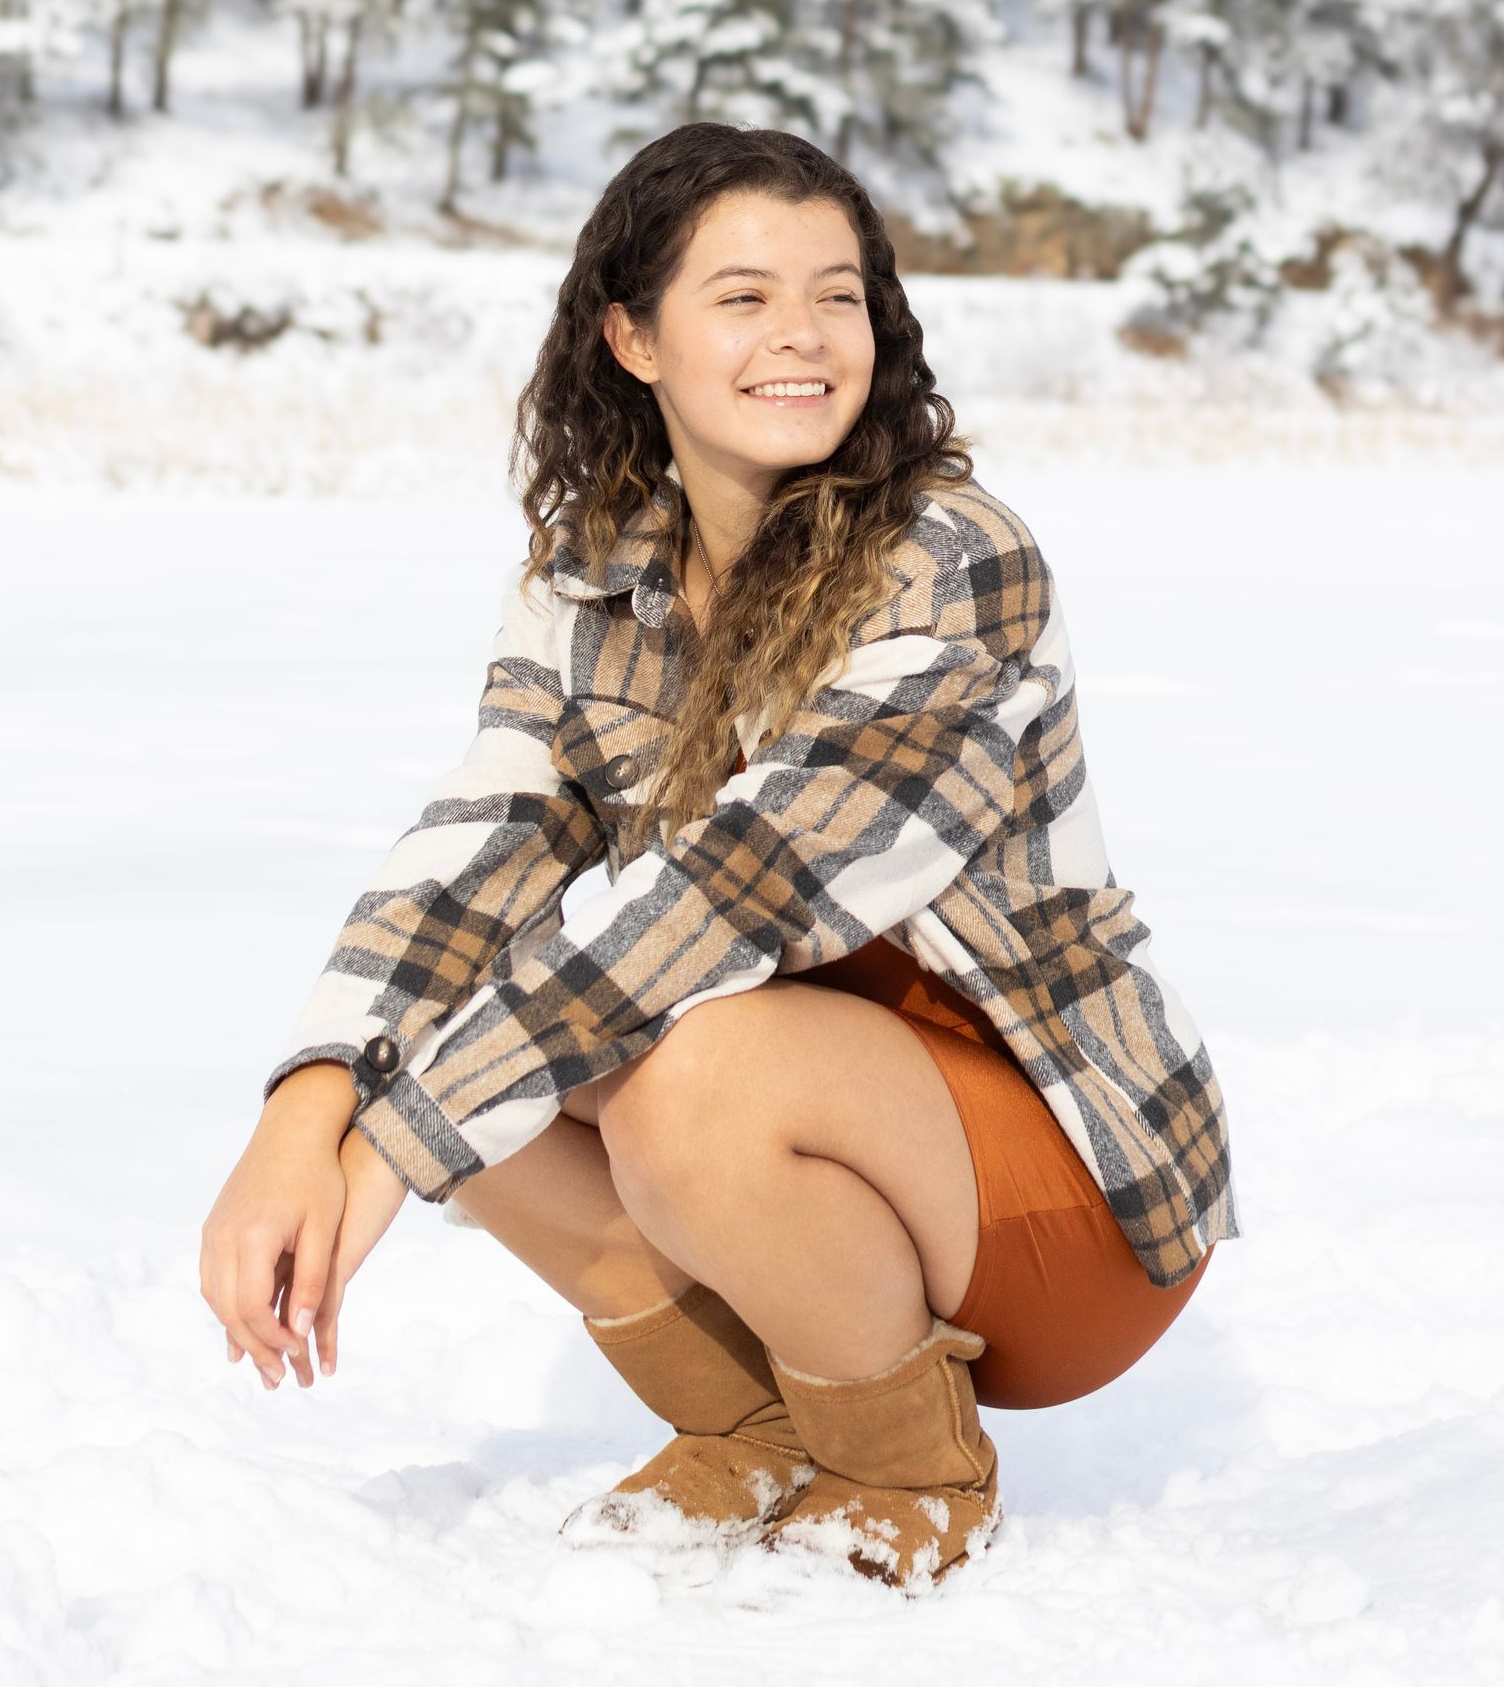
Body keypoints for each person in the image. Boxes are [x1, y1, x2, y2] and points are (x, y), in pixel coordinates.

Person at [201, 123, 1237, 1593]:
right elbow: (484, 841)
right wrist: (310, 1107)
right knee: (441, 1019)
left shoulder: (953, 560)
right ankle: (753, 1424)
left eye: (838, 293)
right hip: (813, 1119)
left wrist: (393, 1155)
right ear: (632, 337)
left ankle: (906, 1461)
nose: (805, 337)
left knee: (663, 1068)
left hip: (1059, 1177)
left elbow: (745, 888)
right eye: (744, 297)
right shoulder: (592, 575)